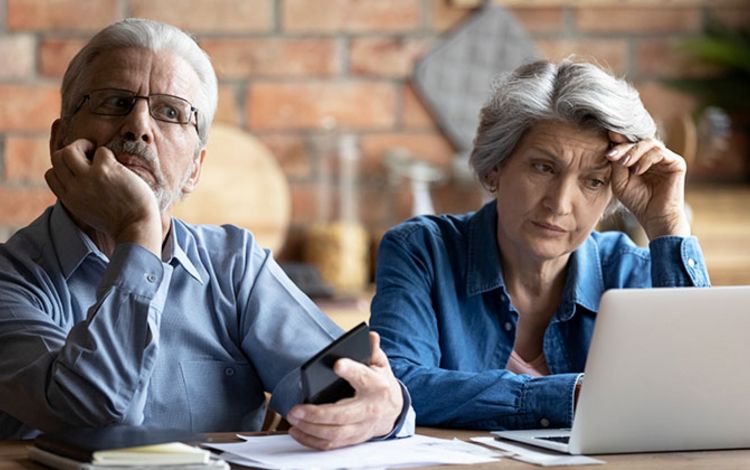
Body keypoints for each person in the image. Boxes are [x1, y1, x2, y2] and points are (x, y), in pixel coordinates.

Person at [0, 18, 413, 448]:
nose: (138, 126)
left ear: (195, 168)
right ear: (60, 139)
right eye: (115, 102)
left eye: (170, 112)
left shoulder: (234, 266)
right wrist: (137, 232)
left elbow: (351, 386)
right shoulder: (11, 277)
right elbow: (95, 417)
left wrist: (387, 407)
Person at [369, 59, 710, 430]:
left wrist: (668, 225)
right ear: (495, 168)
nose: (560, 204)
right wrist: (573, 396)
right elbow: (396, 385)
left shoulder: (629, 270)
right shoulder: (422, 251)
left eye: (593, 182)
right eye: (543, 168)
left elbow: (701, 393)